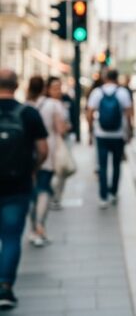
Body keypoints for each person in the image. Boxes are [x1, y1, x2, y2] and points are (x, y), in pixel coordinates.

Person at [0, 69, 48, 309]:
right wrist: (32, 168)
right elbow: (43, 150)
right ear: (17, 85)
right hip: (17, 185)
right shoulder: (28, 113)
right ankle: (5, 287)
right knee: (10, 237)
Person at [25, 76, 66, 246]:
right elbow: (61, 129)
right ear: (44, 88)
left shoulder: (25, 106)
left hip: (27, 152)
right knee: (44, 189)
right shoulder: (53, 105)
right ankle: (40, 226)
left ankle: (33, 229)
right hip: (47, 151)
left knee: (32, 191)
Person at [86, 69, 132, 208]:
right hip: (118, 135)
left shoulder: (97, 92)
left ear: (105, 78)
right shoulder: (123, 92)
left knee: (103, 165)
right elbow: (129, 113)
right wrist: (129, 131)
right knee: (117, 165)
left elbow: (89, 113)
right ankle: (113, 192)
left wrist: (90, 131)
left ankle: (103, 196)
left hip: (101, 135)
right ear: (117, 78)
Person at [47, 77, 74, 210]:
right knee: (52, 169)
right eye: (54, 88)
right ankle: (52, 195)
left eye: (59, 87)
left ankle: (56, 196)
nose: (57, 91)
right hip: (52, 141)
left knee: (61, 169)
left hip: (64, 140)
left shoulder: (66, 100)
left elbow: (71, 118)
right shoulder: (47, 104)